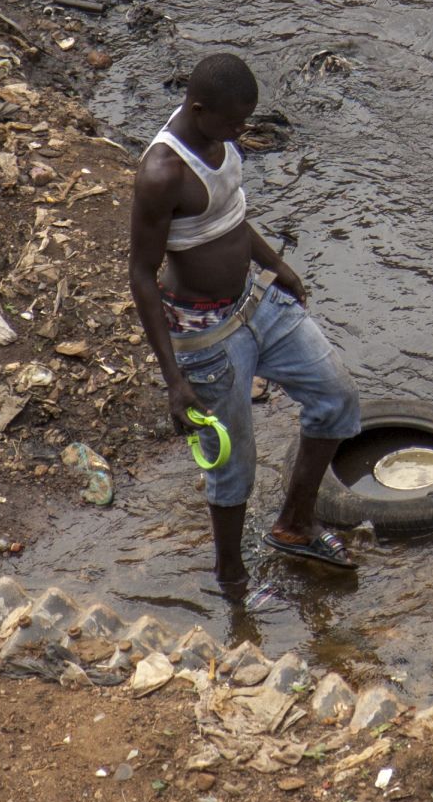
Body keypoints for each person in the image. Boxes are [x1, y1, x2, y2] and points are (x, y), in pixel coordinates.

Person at [129, 52, 362, 587]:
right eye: (233, 123)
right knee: (233, 471)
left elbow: (229, 216)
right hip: (204, 335)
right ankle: (232, 581)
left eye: (245, 122)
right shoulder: (162, 175)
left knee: (336, 398)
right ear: (199, 108)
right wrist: (174, 382)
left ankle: (295, 526)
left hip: (257, 304)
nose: (241, 133)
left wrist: (276, 264)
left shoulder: (220, 136)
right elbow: (141, 275)